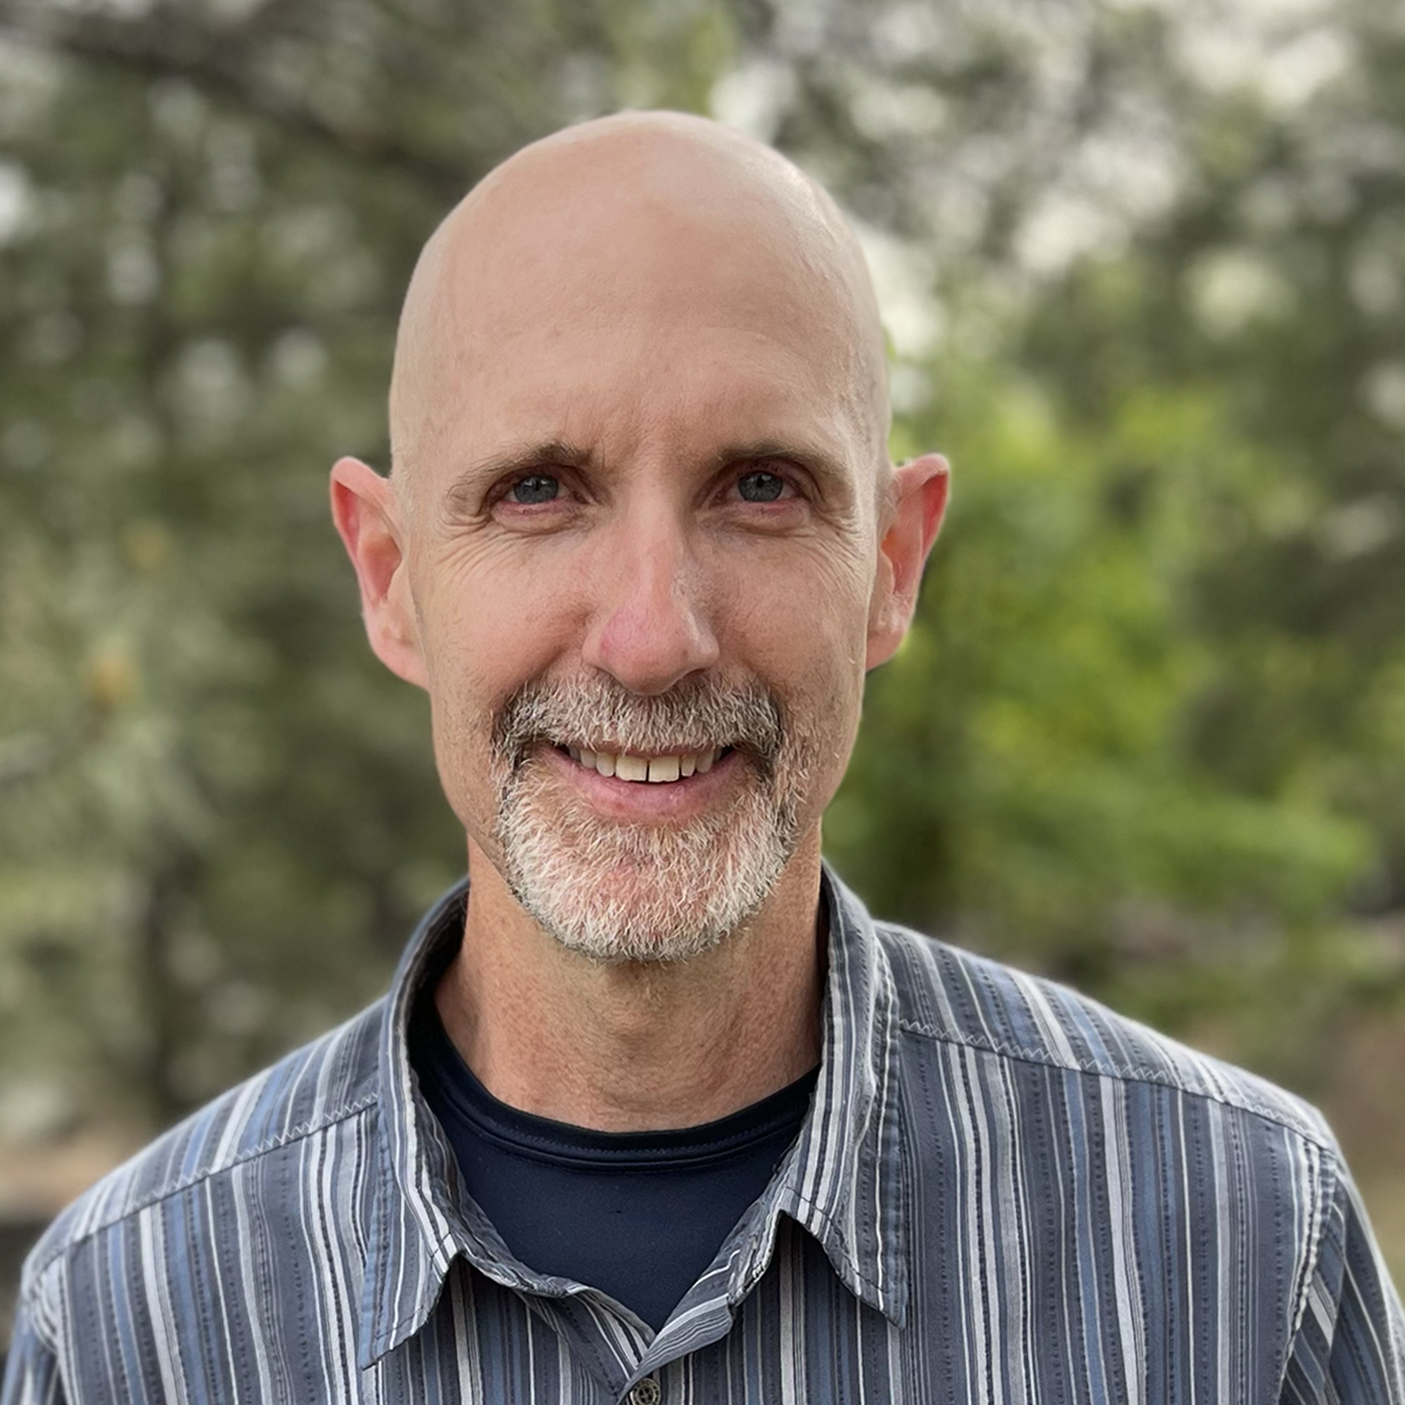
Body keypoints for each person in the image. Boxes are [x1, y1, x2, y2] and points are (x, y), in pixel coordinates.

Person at [3, 110, 1402, 1405]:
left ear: (892, 565)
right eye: (539, 490)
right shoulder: (134, 1324)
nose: (652, 638)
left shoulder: (1240, 1255)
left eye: (760, 487)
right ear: (389, 577)